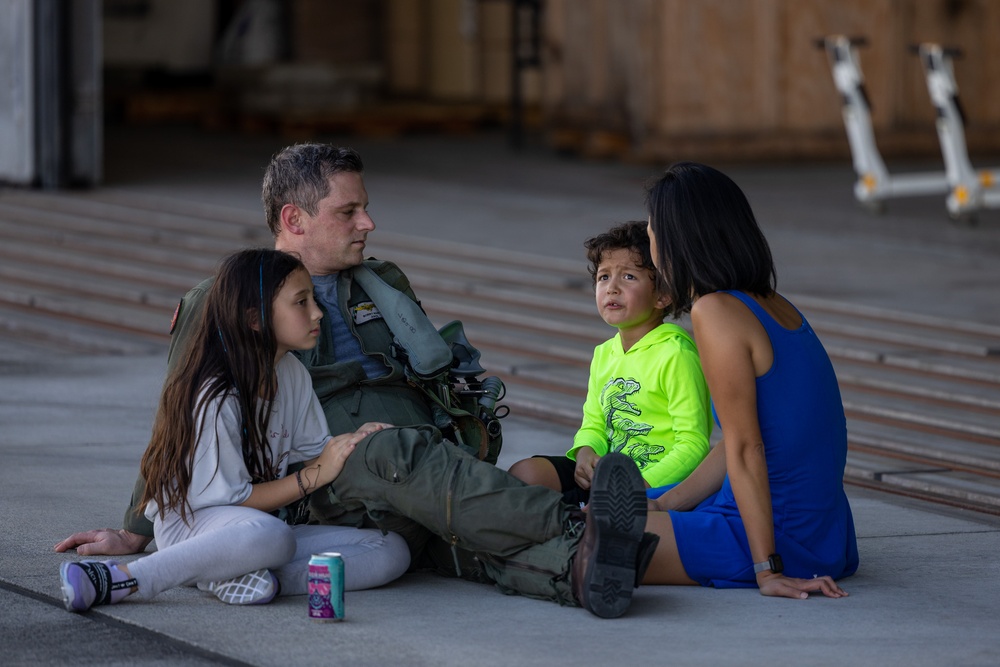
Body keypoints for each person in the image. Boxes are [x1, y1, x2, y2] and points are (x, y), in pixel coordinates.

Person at [55, 143, 657, 618]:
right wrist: (137, 532)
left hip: (419, 465)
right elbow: (177, 416)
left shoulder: (380, 281)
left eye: (363, 206)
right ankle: (581, 529)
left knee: (455, 538)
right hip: (330, 476)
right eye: (348, 211)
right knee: (397, 455)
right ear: (294, 218)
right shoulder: (225, 301)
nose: (367, 222)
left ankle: (581, 574)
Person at [59, 249, 411, 612]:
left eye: (314, 301)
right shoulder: (215, 392)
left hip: (252, 532)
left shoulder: (292, 374)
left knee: (389, 550)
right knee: (273, 537)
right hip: (193, 529)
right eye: (301, 303)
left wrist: (355, 439)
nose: (317, 313)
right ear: (255, 319)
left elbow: (317, 452)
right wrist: (313, 476)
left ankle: (255, 579)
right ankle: (125, 578)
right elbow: (237, 498)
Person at [639, 161, 859, 599]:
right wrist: (665, 503)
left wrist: (767, 570)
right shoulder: (775, 304)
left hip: (773, 539)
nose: (653, 253)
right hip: (827, 537)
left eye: (652, 237)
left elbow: (746, 447)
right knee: (630, 507)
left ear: (678, 241)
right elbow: (749, 438)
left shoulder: (715, 311)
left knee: (584, 536)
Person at [508, 221, 711, 505]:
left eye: (628, 277)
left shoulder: (676, 354)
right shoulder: (604, 354)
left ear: (663, 295)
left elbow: (693, 445)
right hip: (605, 478)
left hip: (654, 487)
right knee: (525, 474)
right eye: (604, 277)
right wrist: (586, 452)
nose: (611, 288)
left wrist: (640, 485)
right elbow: (594, 423)